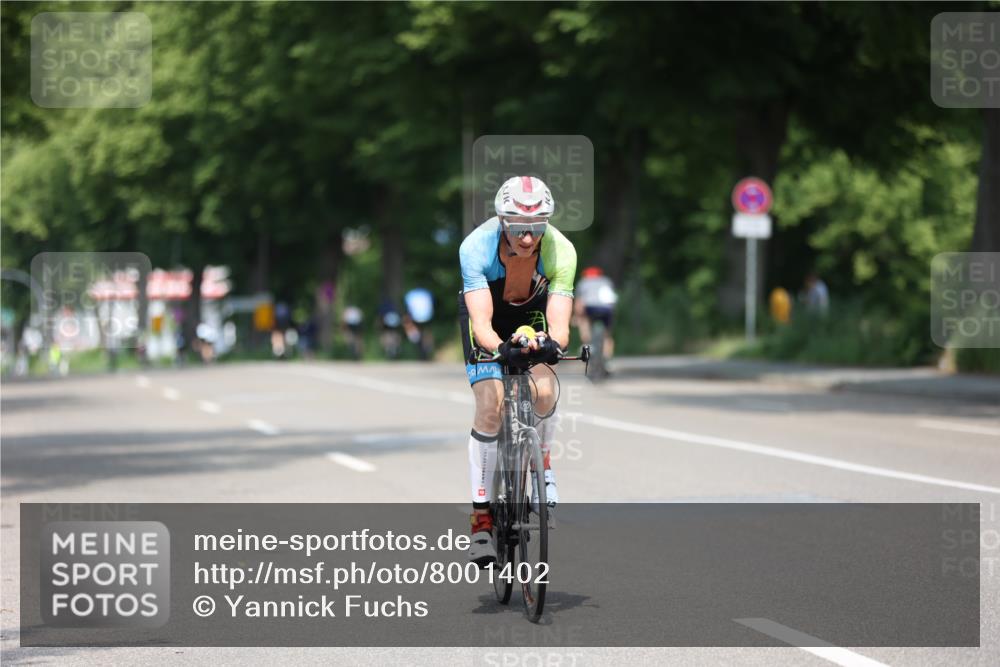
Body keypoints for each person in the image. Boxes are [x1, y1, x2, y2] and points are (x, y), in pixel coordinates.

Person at [458, 175, 576, 567]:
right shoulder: (476, 247)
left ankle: (542, 467)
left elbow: (559, 326)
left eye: (537, 227)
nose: (528, 238)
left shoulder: (561, 251)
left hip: (531, 314)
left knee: (545, 391)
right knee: (490, 403)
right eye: (519, 228)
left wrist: (550, 345)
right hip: (488, 318)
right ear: (502, 222)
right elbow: (481, 323)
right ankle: (481, 517)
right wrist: (500, 349)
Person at [573, 266, 618, 367]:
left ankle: (586, 343)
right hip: (607, 309)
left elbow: (579, 302)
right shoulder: (606, 281)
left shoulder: (583, 282)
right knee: (607, 335)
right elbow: (612, 299)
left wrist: (576, 316)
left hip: (591, 307)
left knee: (582, 320)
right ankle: (607, 359)